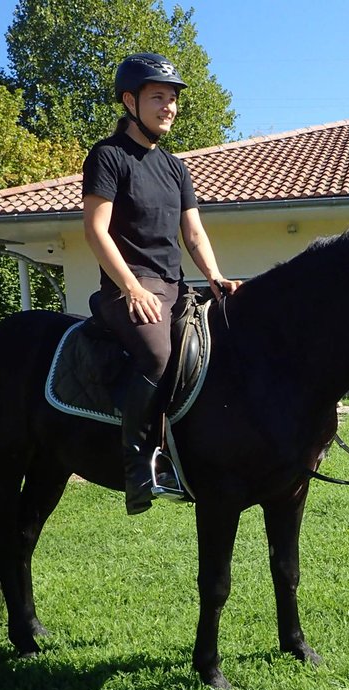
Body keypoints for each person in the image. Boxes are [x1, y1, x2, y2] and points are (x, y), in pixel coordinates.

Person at [82, 52, 239, 514]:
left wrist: (215, 277)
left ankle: (193, 451)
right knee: (157, 353)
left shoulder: (175, 167)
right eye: (158, 97)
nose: (168, 106)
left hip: (175, 286)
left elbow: (193, 233)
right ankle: (137, 468)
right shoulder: (109, 156)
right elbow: (95, 230)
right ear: (130, 101)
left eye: (172, 99)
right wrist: (131, 287)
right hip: (125, 287)